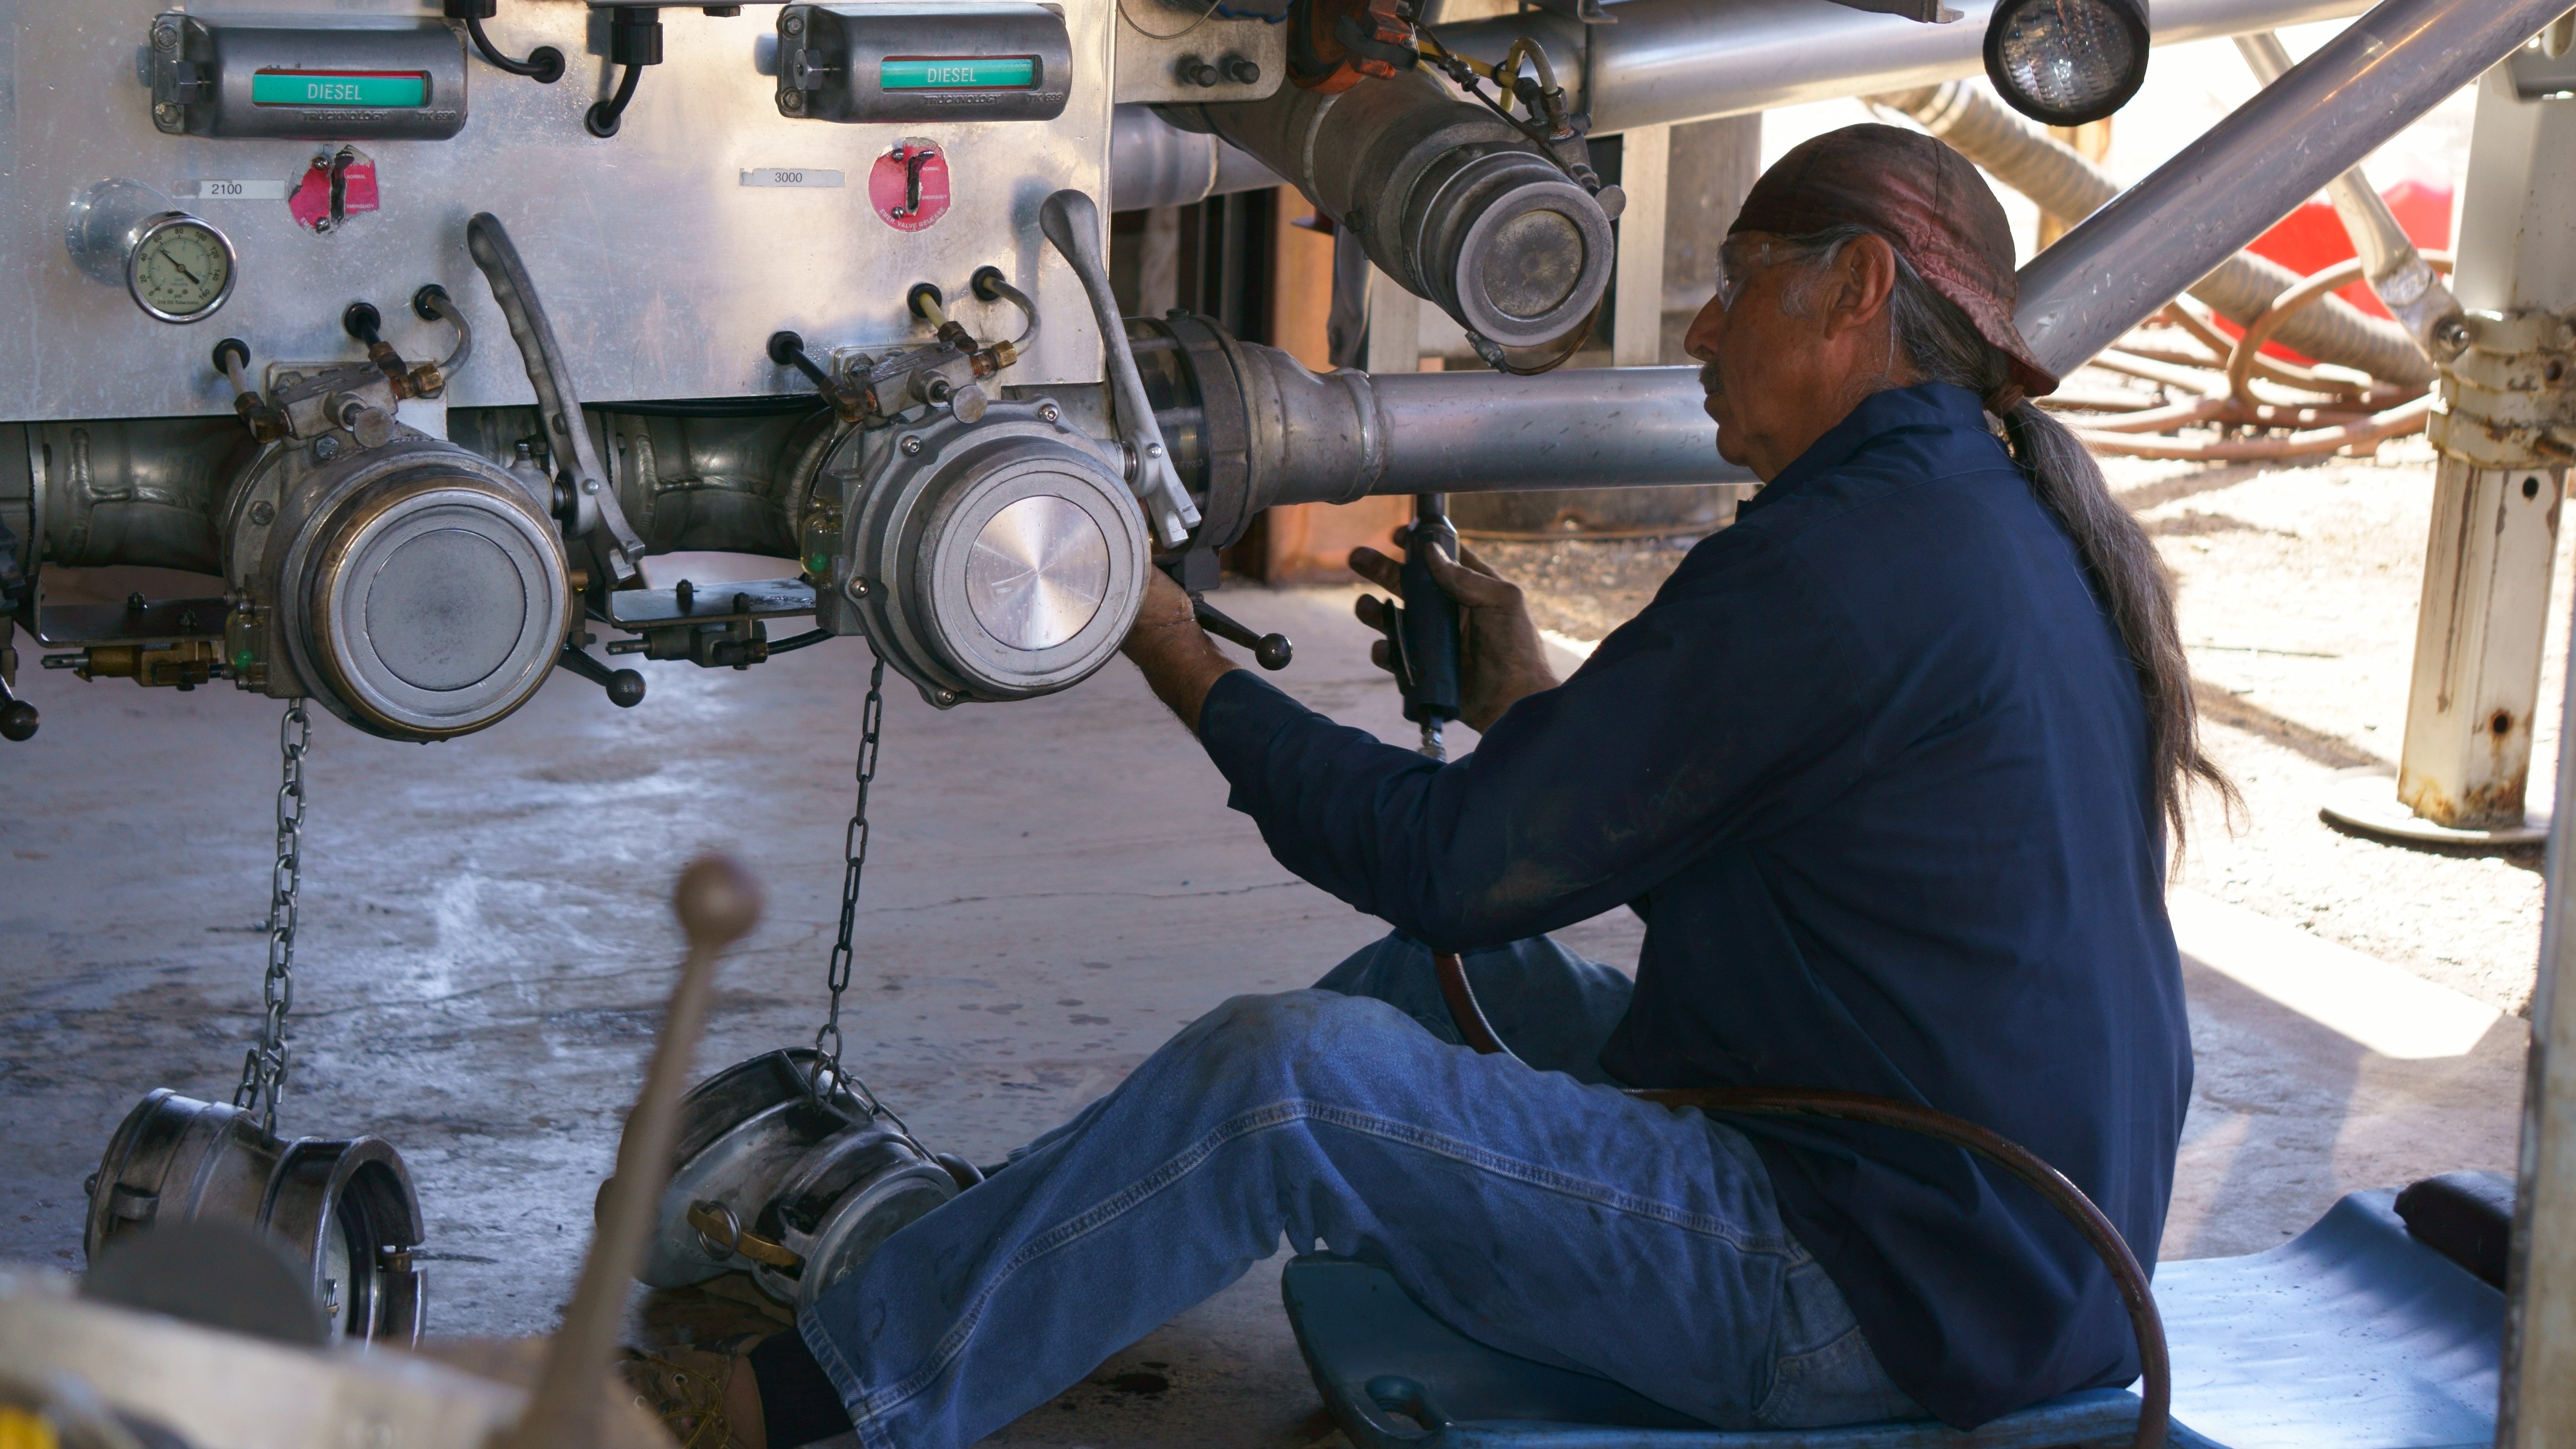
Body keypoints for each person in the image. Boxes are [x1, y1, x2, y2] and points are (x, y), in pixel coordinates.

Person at [619, 123, 2230, 1449]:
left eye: (1739, 286)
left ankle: (821, 1406)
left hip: (1874, 1302)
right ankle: (997, 1272)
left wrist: (1172, 646)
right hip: (2001, 1248)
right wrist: (1544, 705)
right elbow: (1814, 869)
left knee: (1286, 1082)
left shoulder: (1847, 557)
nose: (1700, 331)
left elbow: (1447, 858)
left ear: (1858, 290)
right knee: (1426, 992)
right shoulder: (1976, 525)